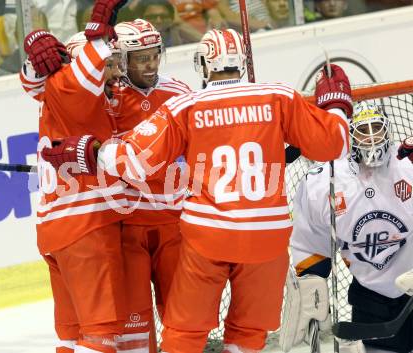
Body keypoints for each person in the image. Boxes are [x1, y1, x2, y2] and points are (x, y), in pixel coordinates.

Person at [40, 27, 353, 352]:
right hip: (267, 239)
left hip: (210, 237)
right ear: (242, 61)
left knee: (184, 333)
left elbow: (133, 161)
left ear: (204, 63)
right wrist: (336, 108)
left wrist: (92, 151)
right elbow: (335, 144)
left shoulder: (187, 105)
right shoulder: (279, 96)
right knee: (249, 332)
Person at [19, 1, 131, 352]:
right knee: (100, 337)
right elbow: (86, 66)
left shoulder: (51, 89)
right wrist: (100, 25)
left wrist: (33, 50)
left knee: (72, 334)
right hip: (86, 229)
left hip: (55, 231)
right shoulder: (73, 88)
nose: (112, 71)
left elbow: (31, 80)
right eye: (107, 64)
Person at [282, 102, 413, 353]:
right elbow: (310, 240)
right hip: (371, 298)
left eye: (377, 127)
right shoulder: (326, 180)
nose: (372, 137)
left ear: (389, 130)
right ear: (352, 136)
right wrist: (312, 292)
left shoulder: (408, 164)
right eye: (364, 130)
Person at [108, 18, 190, 352]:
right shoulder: (108, 100)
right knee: (134, 326)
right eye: (141, 57)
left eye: (155, 55)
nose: (151, 63)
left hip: (173, 222)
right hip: (127, 224)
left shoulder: (179, 94)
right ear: (122, 60)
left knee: (181, 318)